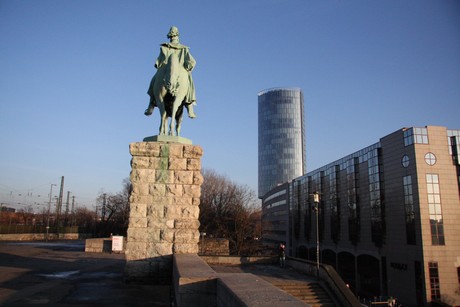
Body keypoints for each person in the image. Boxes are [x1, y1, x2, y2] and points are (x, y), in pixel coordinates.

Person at [145, 26, 197, 118]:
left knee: (154, 80)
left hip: (171, 69)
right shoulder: (173, 48)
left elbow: (158, 62)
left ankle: (151, 105)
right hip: (173, 70)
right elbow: (192, 62)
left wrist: (159, 65)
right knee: (189, 82)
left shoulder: (175, 48)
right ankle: (190, 108)